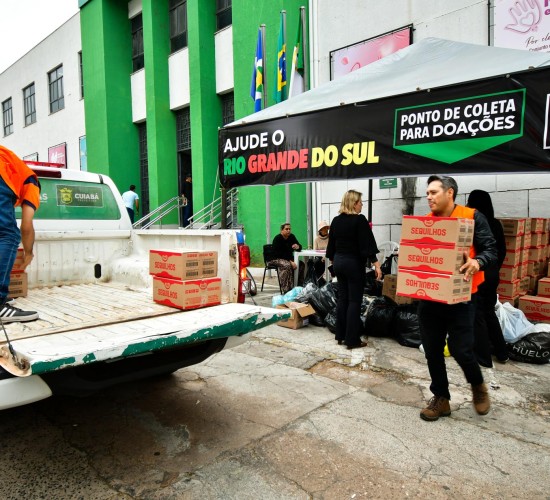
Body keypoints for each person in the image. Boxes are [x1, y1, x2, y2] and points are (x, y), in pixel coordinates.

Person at [418, 175, 497, 422]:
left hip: (463, 297)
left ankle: (477, 385)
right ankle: (441, 398)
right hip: (431, 297)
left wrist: (477, 261)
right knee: (432, 349)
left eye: (433, 192)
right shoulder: (425, 223)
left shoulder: (472, 216)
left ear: (449, 192)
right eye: (427, 193)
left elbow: (491, 250)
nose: (428, 197)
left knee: (461, 350)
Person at [326, 190, 381, 349]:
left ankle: (340, 335)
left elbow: (331, 247)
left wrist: (335, 261)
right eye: (360, 202)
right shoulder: (359, 220)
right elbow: (368, 245)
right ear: (354, 203)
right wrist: (377, 265)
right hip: (353, 264)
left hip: (339, 263)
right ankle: (352, 340)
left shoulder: (336, 221)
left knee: (343, 299)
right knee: (354, 301)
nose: (362, 205)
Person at [467, 189, 509, 365]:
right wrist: (495, 269)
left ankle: (483, 357)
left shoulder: (473, 223)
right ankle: (502, 353)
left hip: (479, 272)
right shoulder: (496, 223)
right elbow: (502, 251)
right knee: (489, 312)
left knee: (478, 315)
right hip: (493, 273)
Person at [0, 145, 40, 322]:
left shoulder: (15, 168)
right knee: (9, 234)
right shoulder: (32, 182)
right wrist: (29, 253)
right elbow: (26, 225)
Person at [268, 223, 303, 294]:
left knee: (301, 264)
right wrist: (290, 261)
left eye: (289, 229)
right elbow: (279, 254)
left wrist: (297, 246)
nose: (288, 231)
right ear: (281, 230)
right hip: (274, 258)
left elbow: (300, 246)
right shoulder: (277, 238)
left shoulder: (291, 237)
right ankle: (286, 289)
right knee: (286, 265)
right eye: (286, 229)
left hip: (287, 258)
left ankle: (298, 286)